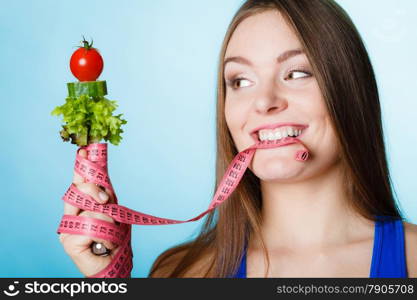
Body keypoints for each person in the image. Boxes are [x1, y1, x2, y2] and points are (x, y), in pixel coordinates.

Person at [59, 0, 417, 278]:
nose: (264, 102)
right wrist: (107, 282)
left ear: (350, 91)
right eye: (240, 81)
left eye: (296, 73)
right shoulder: (182, 274)